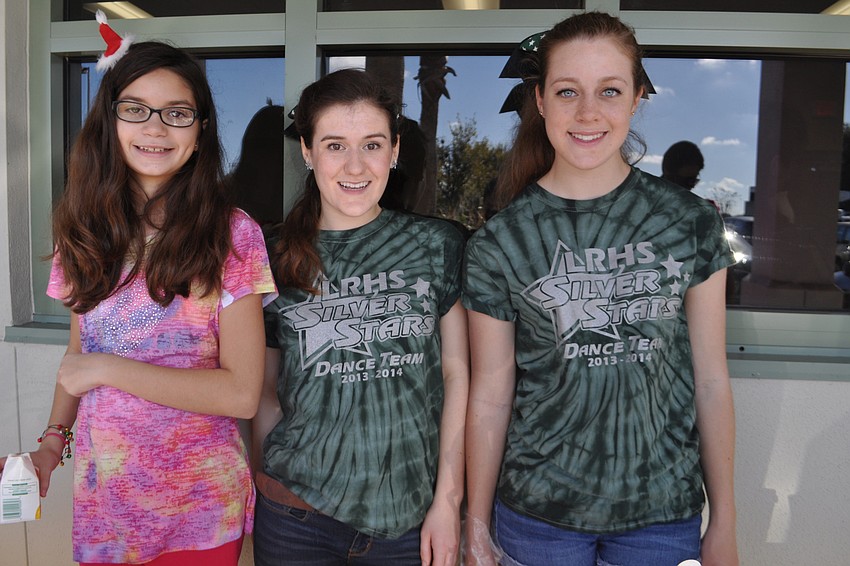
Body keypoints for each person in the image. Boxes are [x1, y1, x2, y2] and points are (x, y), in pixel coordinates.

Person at [463, 12, 739, 566]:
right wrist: (475, 522)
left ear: (637, 98)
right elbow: (491, 396)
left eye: (609, 91)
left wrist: (726, 520)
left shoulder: (689, 223)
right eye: (568, 91)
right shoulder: (500, 241)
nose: (588, 112)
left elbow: (710, 379)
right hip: (536, 520)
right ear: (540, 100)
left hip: (662, 518)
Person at [0, 28, 276, 566]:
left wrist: (106, 369)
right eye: (136, 109)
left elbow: (242, 393)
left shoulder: (232, 233)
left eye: (177, 112)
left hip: (198, 506)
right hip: (107, 501)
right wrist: (52, 445)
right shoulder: (82, 231)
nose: (155, 127)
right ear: (110, 123)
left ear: (200, 131)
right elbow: (78, 359)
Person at [253, 68, 468, 566]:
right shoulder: (274, 255)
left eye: (372, 145)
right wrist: (266, 479)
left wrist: (448, 500)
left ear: (394, 151)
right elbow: (264, 390)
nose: (355, 164)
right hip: (295, 517)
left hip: (409, 519)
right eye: (334, 145)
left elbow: (457, 375)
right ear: (307, 152)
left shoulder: (437, 245)